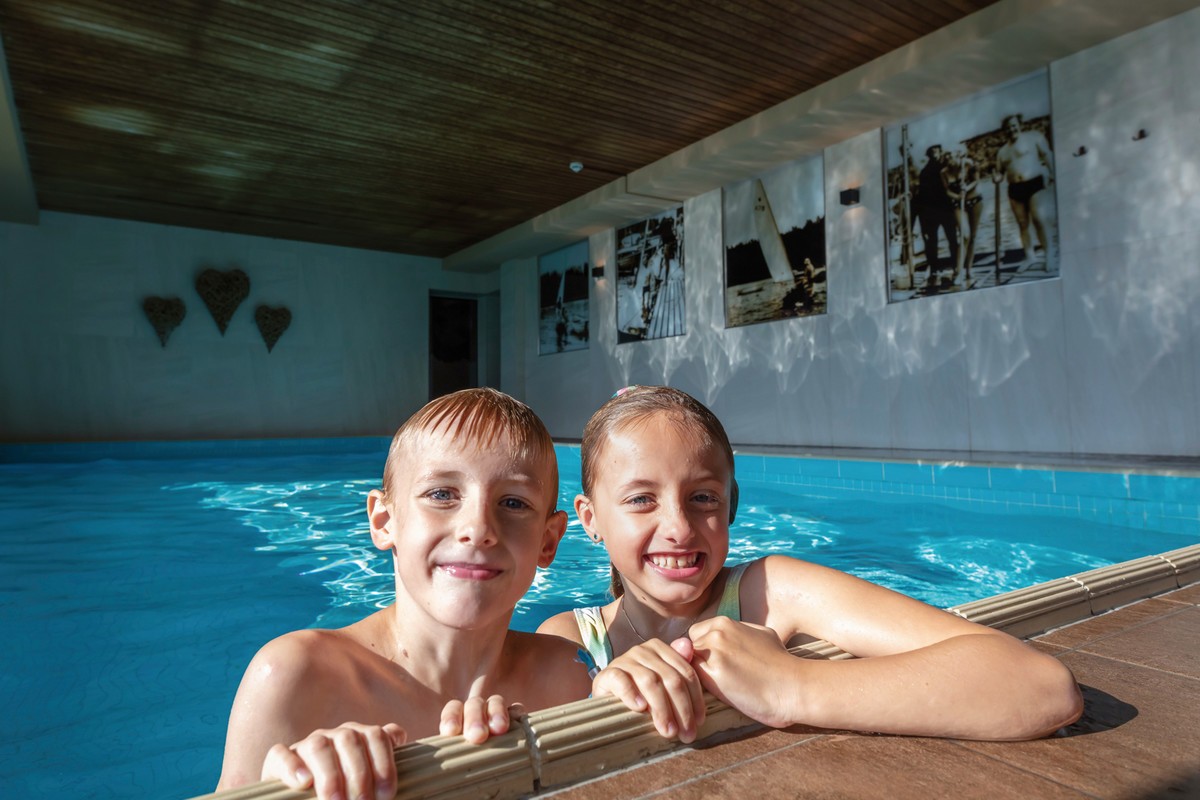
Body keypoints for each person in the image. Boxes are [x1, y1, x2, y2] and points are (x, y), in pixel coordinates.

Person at [218, 388, 699, 800]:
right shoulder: (293, 678)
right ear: (384, 521)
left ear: (548, 541)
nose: (478, 529)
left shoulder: (566, 677)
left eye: (512, 502)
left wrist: (623, 701)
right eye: (442, 494)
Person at [539, 385, 1083, 741]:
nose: (679, 526)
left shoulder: (774, 592)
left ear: (731, 504)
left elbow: (1041, 688)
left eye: (703, 497)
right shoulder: (567, 639)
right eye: (640, 499)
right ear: (590, 519)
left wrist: (791, 685)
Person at [995, 113, 1055, 270]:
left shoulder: (1033, 137)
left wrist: (1052, 173)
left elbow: (1047, 154)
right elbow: (1000, 172)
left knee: (1039, 219)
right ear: (1004, 130)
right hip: (1015, 189)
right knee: (1022, 224)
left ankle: (1049, 255)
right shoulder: (1002, 152)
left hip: (1034, 183)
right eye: (1008, 128)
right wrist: (997, 177)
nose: (1011, 129)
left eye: (1014, 125)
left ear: (1019, 125)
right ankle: (1030, 257)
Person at [912, 144, 958, 289]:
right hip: (930, 212)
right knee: (932, 243)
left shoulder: (946, 167)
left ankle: (956, 267)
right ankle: (934, 269)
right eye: (932, 153)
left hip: (945, 209)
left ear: (940, 153)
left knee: (952, 239)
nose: (935, 155)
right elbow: (921, 194)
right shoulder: (924, 172)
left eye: (937, 152)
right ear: (929, 155)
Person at [942, 149, 984, 284]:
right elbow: (947, 191)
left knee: (972, 237)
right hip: (958, 204)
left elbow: (976, 180)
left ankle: (969, 269)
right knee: (964, 235)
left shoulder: (967, 164)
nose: (949, 160)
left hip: (975, 200)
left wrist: (967, 187)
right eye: (947, 158)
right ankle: (959, 272)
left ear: (957, 155)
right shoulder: (943, 172)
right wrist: (958, 196)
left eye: (951, 156)